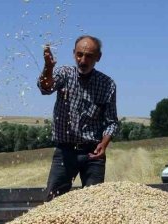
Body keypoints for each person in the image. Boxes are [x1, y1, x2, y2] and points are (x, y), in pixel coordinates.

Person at [38, 35, 118, 201]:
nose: (83, 60)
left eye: (89, 56)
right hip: (65, 151)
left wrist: (104, 144)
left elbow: (111, 122)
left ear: (98, 57)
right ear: (74, 53)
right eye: (79, 54)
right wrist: (48, 67)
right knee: (53, 201)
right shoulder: (64, 73)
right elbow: (45, 88)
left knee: (94, 203)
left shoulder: (107, 84)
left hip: (93, 153)